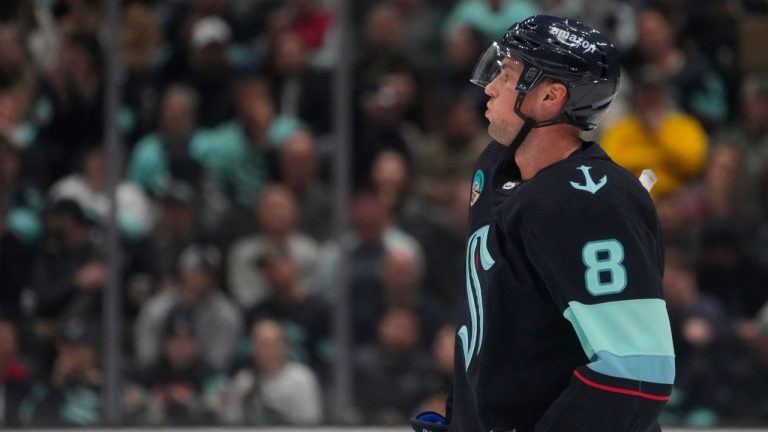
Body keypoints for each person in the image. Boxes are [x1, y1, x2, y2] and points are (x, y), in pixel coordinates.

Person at [411, 15, 674, 432]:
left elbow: (637, 372)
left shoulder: (593, 200)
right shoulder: (495, 166)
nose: (491, 86)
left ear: (551, 96)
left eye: (509, 74)